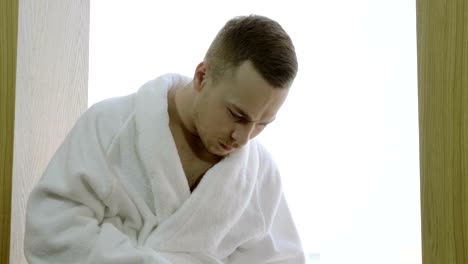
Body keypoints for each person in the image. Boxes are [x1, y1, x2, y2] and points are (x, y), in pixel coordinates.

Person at [24, 15, 305, 263]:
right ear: (202, 76)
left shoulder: (261, 175)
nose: (243, 137)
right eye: (237, 115)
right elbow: (50, 230)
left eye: (262, 124)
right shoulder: (108, 126)